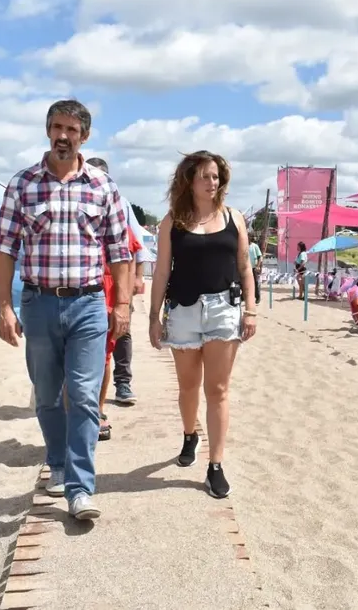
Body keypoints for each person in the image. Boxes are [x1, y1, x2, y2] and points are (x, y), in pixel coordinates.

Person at [0, 99, 130, 521]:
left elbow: (120, 250)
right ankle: (57, 462)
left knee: (86, 395)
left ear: (84, 135)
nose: (63, 136)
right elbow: (4, 247)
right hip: (38, 302)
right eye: (56, 127)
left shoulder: (103, 186)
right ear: (47, 130)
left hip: (88, 303)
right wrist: (4, 306)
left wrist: (121, 303)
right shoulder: (22, 184)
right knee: (48, 396)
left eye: (71, 129)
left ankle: (80, 487)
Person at [148, 150, 257, 499]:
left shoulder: (234, 218)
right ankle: (190, 434)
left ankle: (215, 465)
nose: (212, 183)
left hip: (224, 308)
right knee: (188, 388)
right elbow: (162, 270)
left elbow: (245, 268)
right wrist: (154, 316)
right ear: (189, 181)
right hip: (183, 311)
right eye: (204, 177)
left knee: (218, 390)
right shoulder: (172, 222)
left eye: (216, 177)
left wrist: (251, 310)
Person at [85, 157, 153, 409]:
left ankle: (121, 384)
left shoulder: (120, 204)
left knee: (120, 334)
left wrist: (136, 278)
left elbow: (135, 245)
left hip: (116, 284)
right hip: (87, 285)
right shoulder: (72, 198)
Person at [248, 233, 263, 305]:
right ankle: (244, 297)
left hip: (254, 267)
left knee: (256, 282)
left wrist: (258, 266)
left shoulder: (255, 246)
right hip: (246, 268)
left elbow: (260, 257)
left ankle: (257, 297)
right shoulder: (243, 246)